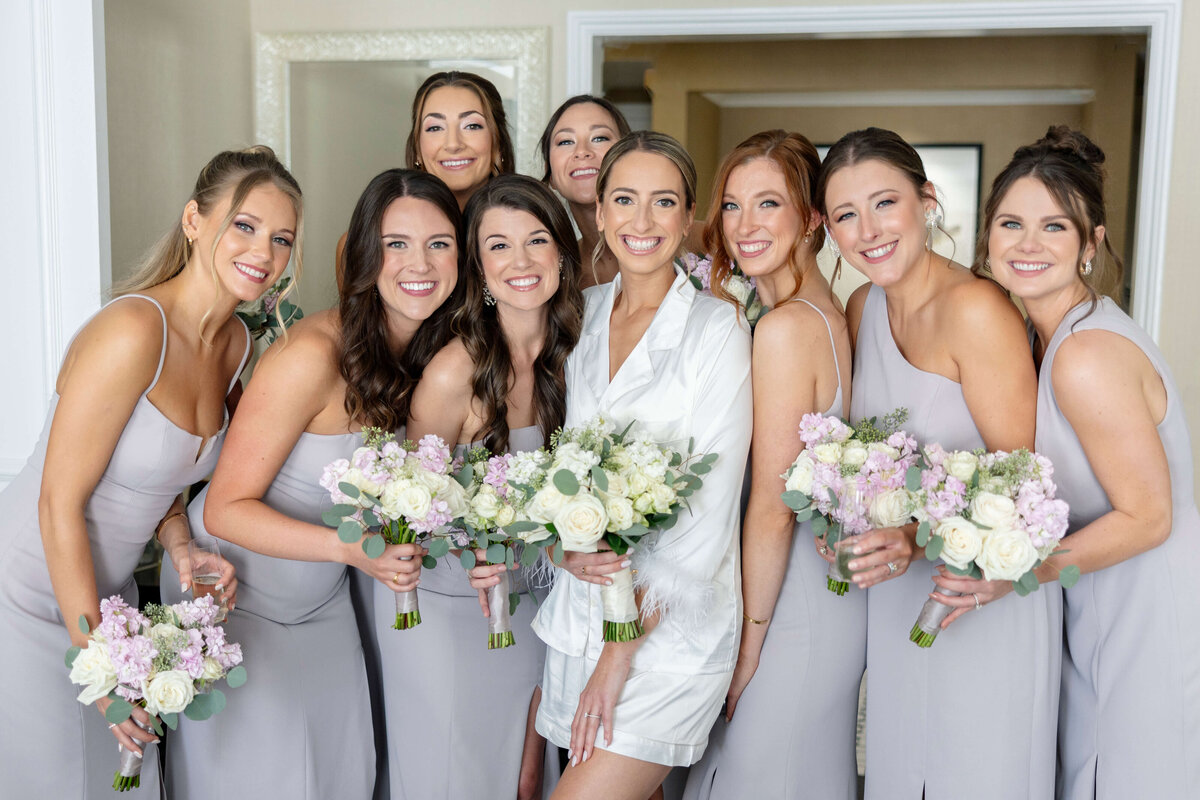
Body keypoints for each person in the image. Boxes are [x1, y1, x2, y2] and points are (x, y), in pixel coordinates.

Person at [0, 146, 299, 797]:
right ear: (194, 220)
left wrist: (180, 544)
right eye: (244, 225)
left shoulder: (237, 344)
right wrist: (100, 666)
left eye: (282, 238)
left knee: (117, 783)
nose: (264, 251)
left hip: (109, 600)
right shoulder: (135, 328)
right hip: (26, 592)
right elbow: (58, 503)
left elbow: (156, 474)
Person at [159, 168, 463, 798]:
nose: (420, 263)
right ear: (362, 255)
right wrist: (348, 551)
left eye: (440, 243)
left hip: (324, 607)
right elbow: (223, 510)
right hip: (237, 602)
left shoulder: (435, 358)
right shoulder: (311, 355)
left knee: (339, 775)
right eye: (396, 243)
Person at [818, 127, 1059, 799]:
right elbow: (871, 455)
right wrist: (838, 508)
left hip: (980, 598)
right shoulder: (863, 307)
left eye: (885, 203)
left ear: (926, 202)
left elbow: (1028, 487)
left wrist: (914, 537)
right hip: (897, 601)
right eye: (845, 215)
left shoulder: (977, 311)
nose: (868, 230)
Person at [974, 126, 1200, 799]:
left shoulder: (1086, 354)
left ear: (1091, 244)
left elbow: (1150, 516)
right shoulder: (1048, 338)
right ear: (987, 236)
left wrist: (1009, 573)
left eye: (1055, 227)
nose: (1028, 244)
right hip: (1102, 599)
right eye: (1012, 223)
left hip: (1143, 612)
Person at [531, 131, 752, 800]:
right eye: (624, 200)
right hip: (578, 618)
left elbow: (707, 516)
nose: (643, 221)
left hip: (666, 633)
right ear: (599, 212)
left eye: (664, 202)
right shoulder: (580, 318)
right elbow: (553, 469)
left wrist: (618, 653)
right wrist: (557, 547)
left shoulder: (717, 331)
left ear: (689, 218)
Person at [683, 130, 858, 800]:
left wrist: (749, 642)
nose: (745, 225)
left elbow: (772, 505)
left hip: (791, 605)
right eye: (731, 206)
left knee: (756, 776)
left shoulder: (786, 330)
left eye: (769, 205)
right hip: (806, 588)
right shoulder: (815, 310)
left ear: (811, 218)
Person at [399, 173, 584, 800]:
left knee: (526, 781)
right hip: (454, 612)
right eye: (498, 246)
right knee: (459, 775)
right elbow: (407, 506)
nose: (521, 261)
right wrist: (475, 549)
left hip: (539, 610)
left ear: (562, 251)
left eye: (536, 240)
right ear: (478, 266)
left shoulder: (576, 359)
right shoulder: (456, 371)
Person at [538, 95, 631, 287]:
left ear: (629, 156)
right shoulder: (555, 274)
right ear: (551, 175)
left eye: (599, 138)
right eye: (565, 142)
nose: (582, 151)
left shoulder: (699, 242)